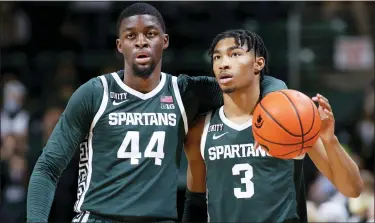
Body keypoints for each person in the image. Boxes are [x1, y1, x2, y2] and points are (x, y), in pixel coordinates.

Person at [26, 3, 286, 223]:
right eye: (131, 36)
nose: (141, 41)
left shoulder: (184, 92)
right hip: (100, 217)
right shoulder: (95, 93)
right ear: (120, 45)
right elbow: (48, 167)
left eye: (150, 34)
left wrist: (276, 95)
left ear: (164, 41)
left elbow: (255, 83)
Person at [182, 29, 363, 223]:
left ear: (258, 63)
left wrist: (329, 139)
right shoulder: (201, 129)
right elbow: (195, 201)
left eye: (235, 54)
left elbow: (352, 189)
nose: (223, 63)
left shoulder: (290, 121)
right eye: (217, 57)